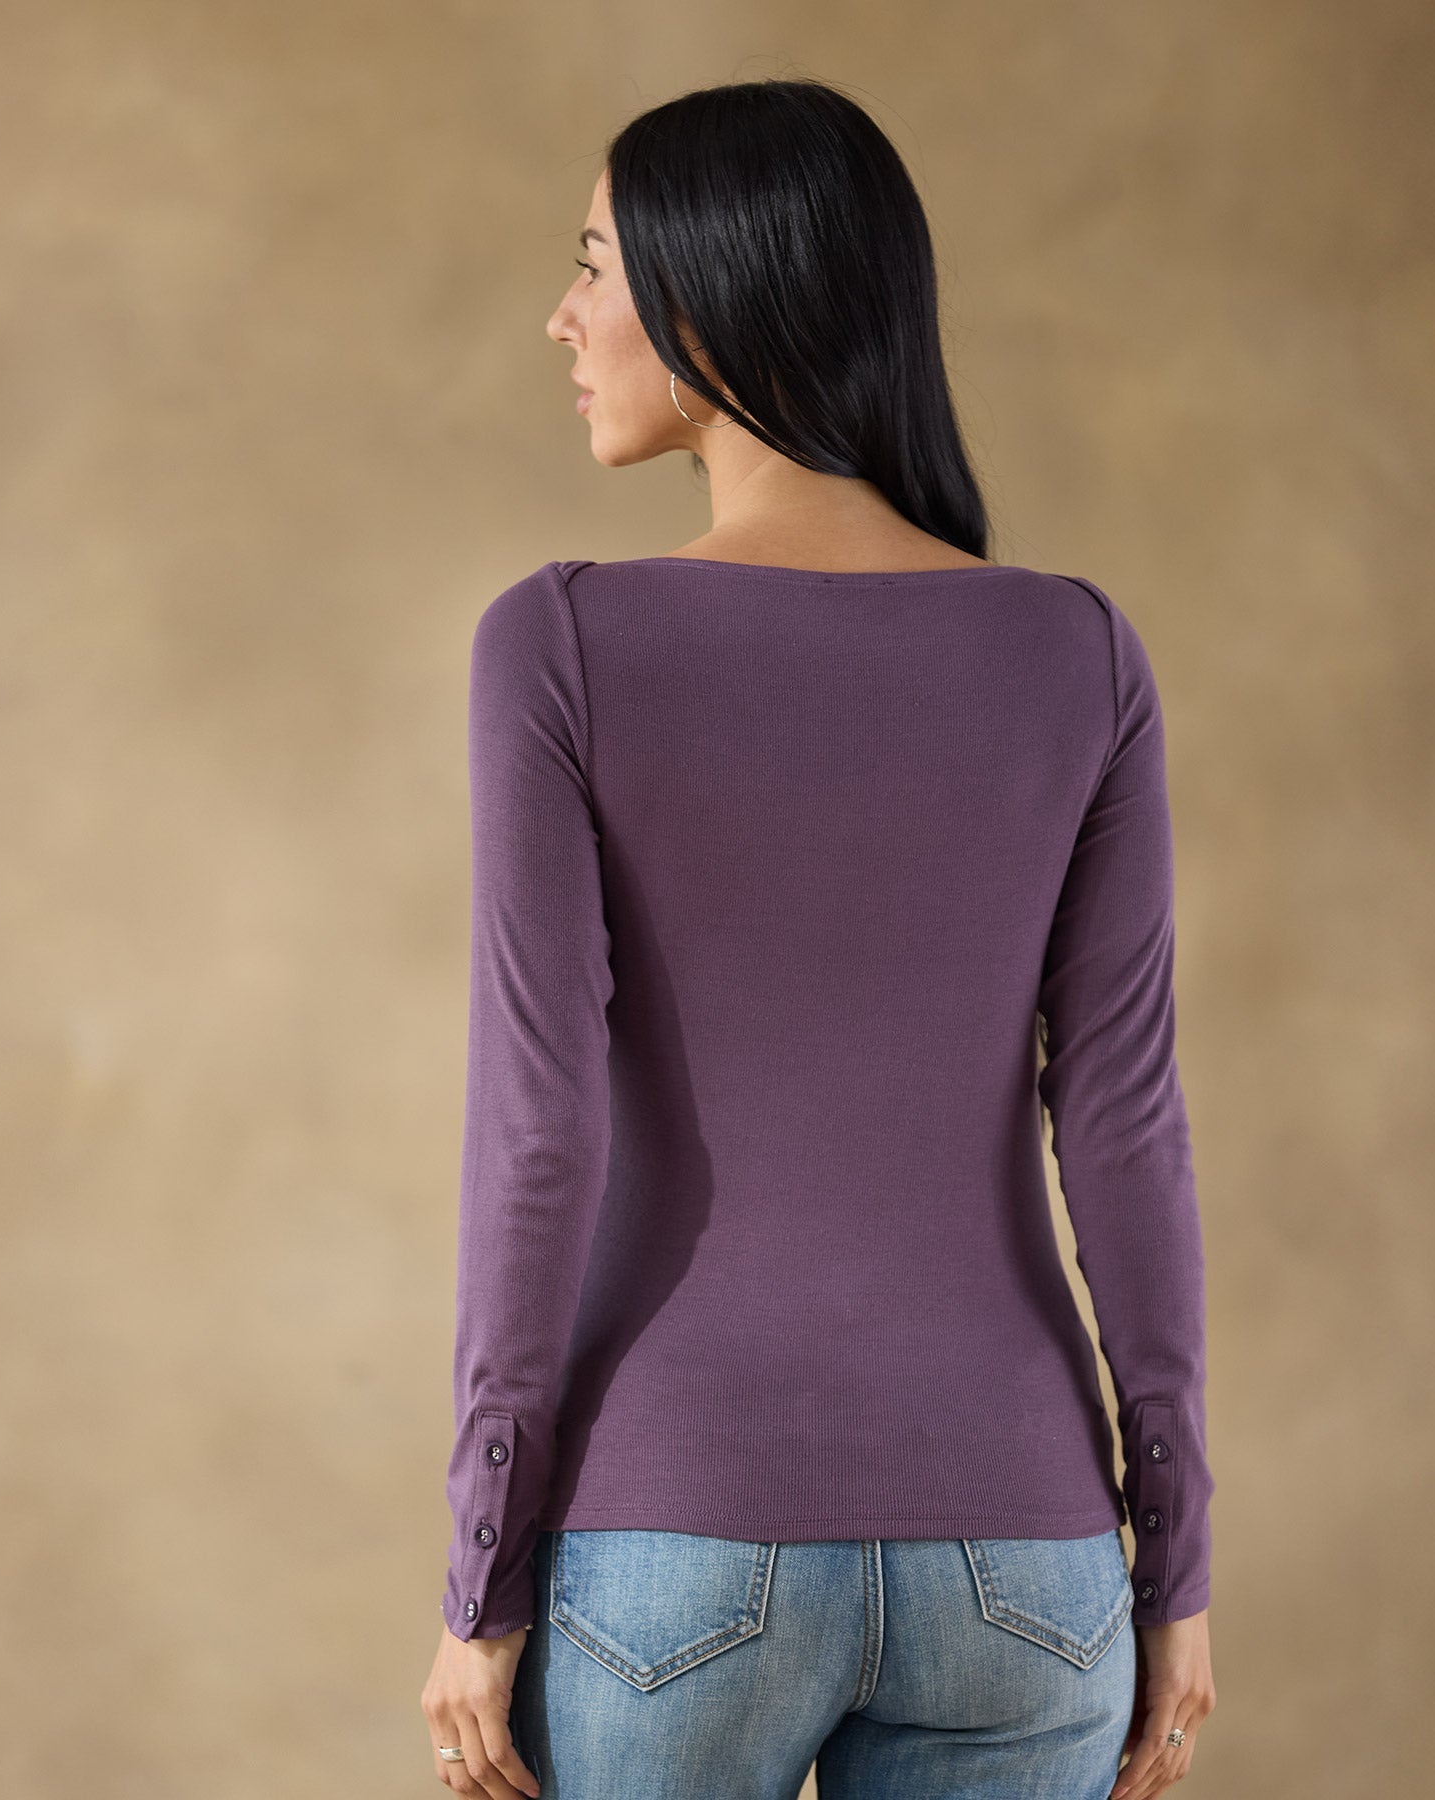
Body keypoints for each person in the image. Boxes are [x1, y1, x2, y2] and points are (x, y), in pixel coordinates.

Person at [419, 76, 1216, 1800]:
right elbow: (1127, 1129)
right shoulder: (1077, 652)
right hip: (1030, 1569)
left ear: (711, 303)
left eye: (593, 266)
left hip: (673, 1546)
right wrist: (1177, 1564)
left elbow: (539, 1135)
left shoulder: (562, 645)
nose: (561, 317)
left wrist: (482, 1576)